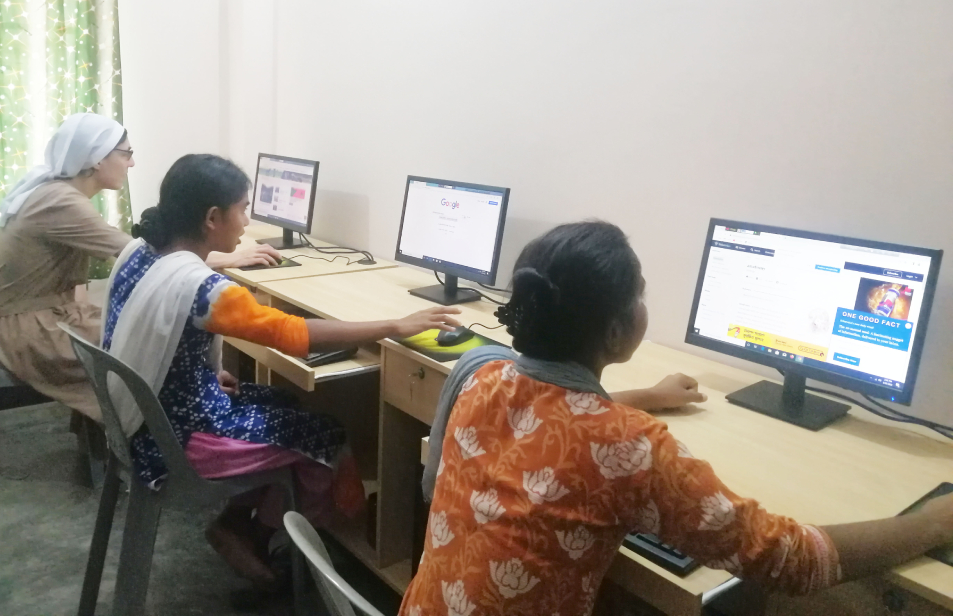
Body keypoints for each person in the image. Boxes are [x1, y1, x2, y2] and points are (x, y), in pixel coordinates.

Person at [405, 221, 953, 616]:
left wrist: (644, 395)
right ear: (617, 332)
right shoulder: (632, 448)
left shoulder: (481, 372)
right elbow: (790, 561)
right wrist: (933, 523)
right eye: (639, 295)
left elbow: (551, 416)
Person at [102, 153, 463, 588]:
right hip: (179, 440)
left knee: (285, 401)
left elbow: (140, 334)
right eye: (243, 208)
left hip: (148, 419)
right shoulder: (205, 289)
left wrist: (194, 372)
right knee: (325, 435)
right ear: (212, 218)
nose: (247, 220)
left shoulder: (139, 252)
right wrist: (394, 325)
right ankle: (254, 534)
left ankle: (237, 524)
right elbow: (290, 333)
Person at [0, 113, 283, 419]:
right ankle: (163, 437)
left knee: (153, 336)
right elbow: (147, 254)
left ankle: (134, 436)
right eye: (126, 154)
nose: (132, 164)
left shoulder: (55, 191)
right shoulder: (61, 201)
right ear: (97, 159)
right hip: (28, 332)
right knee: (154, 349)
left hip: (38, 318)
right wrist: (231, 258)